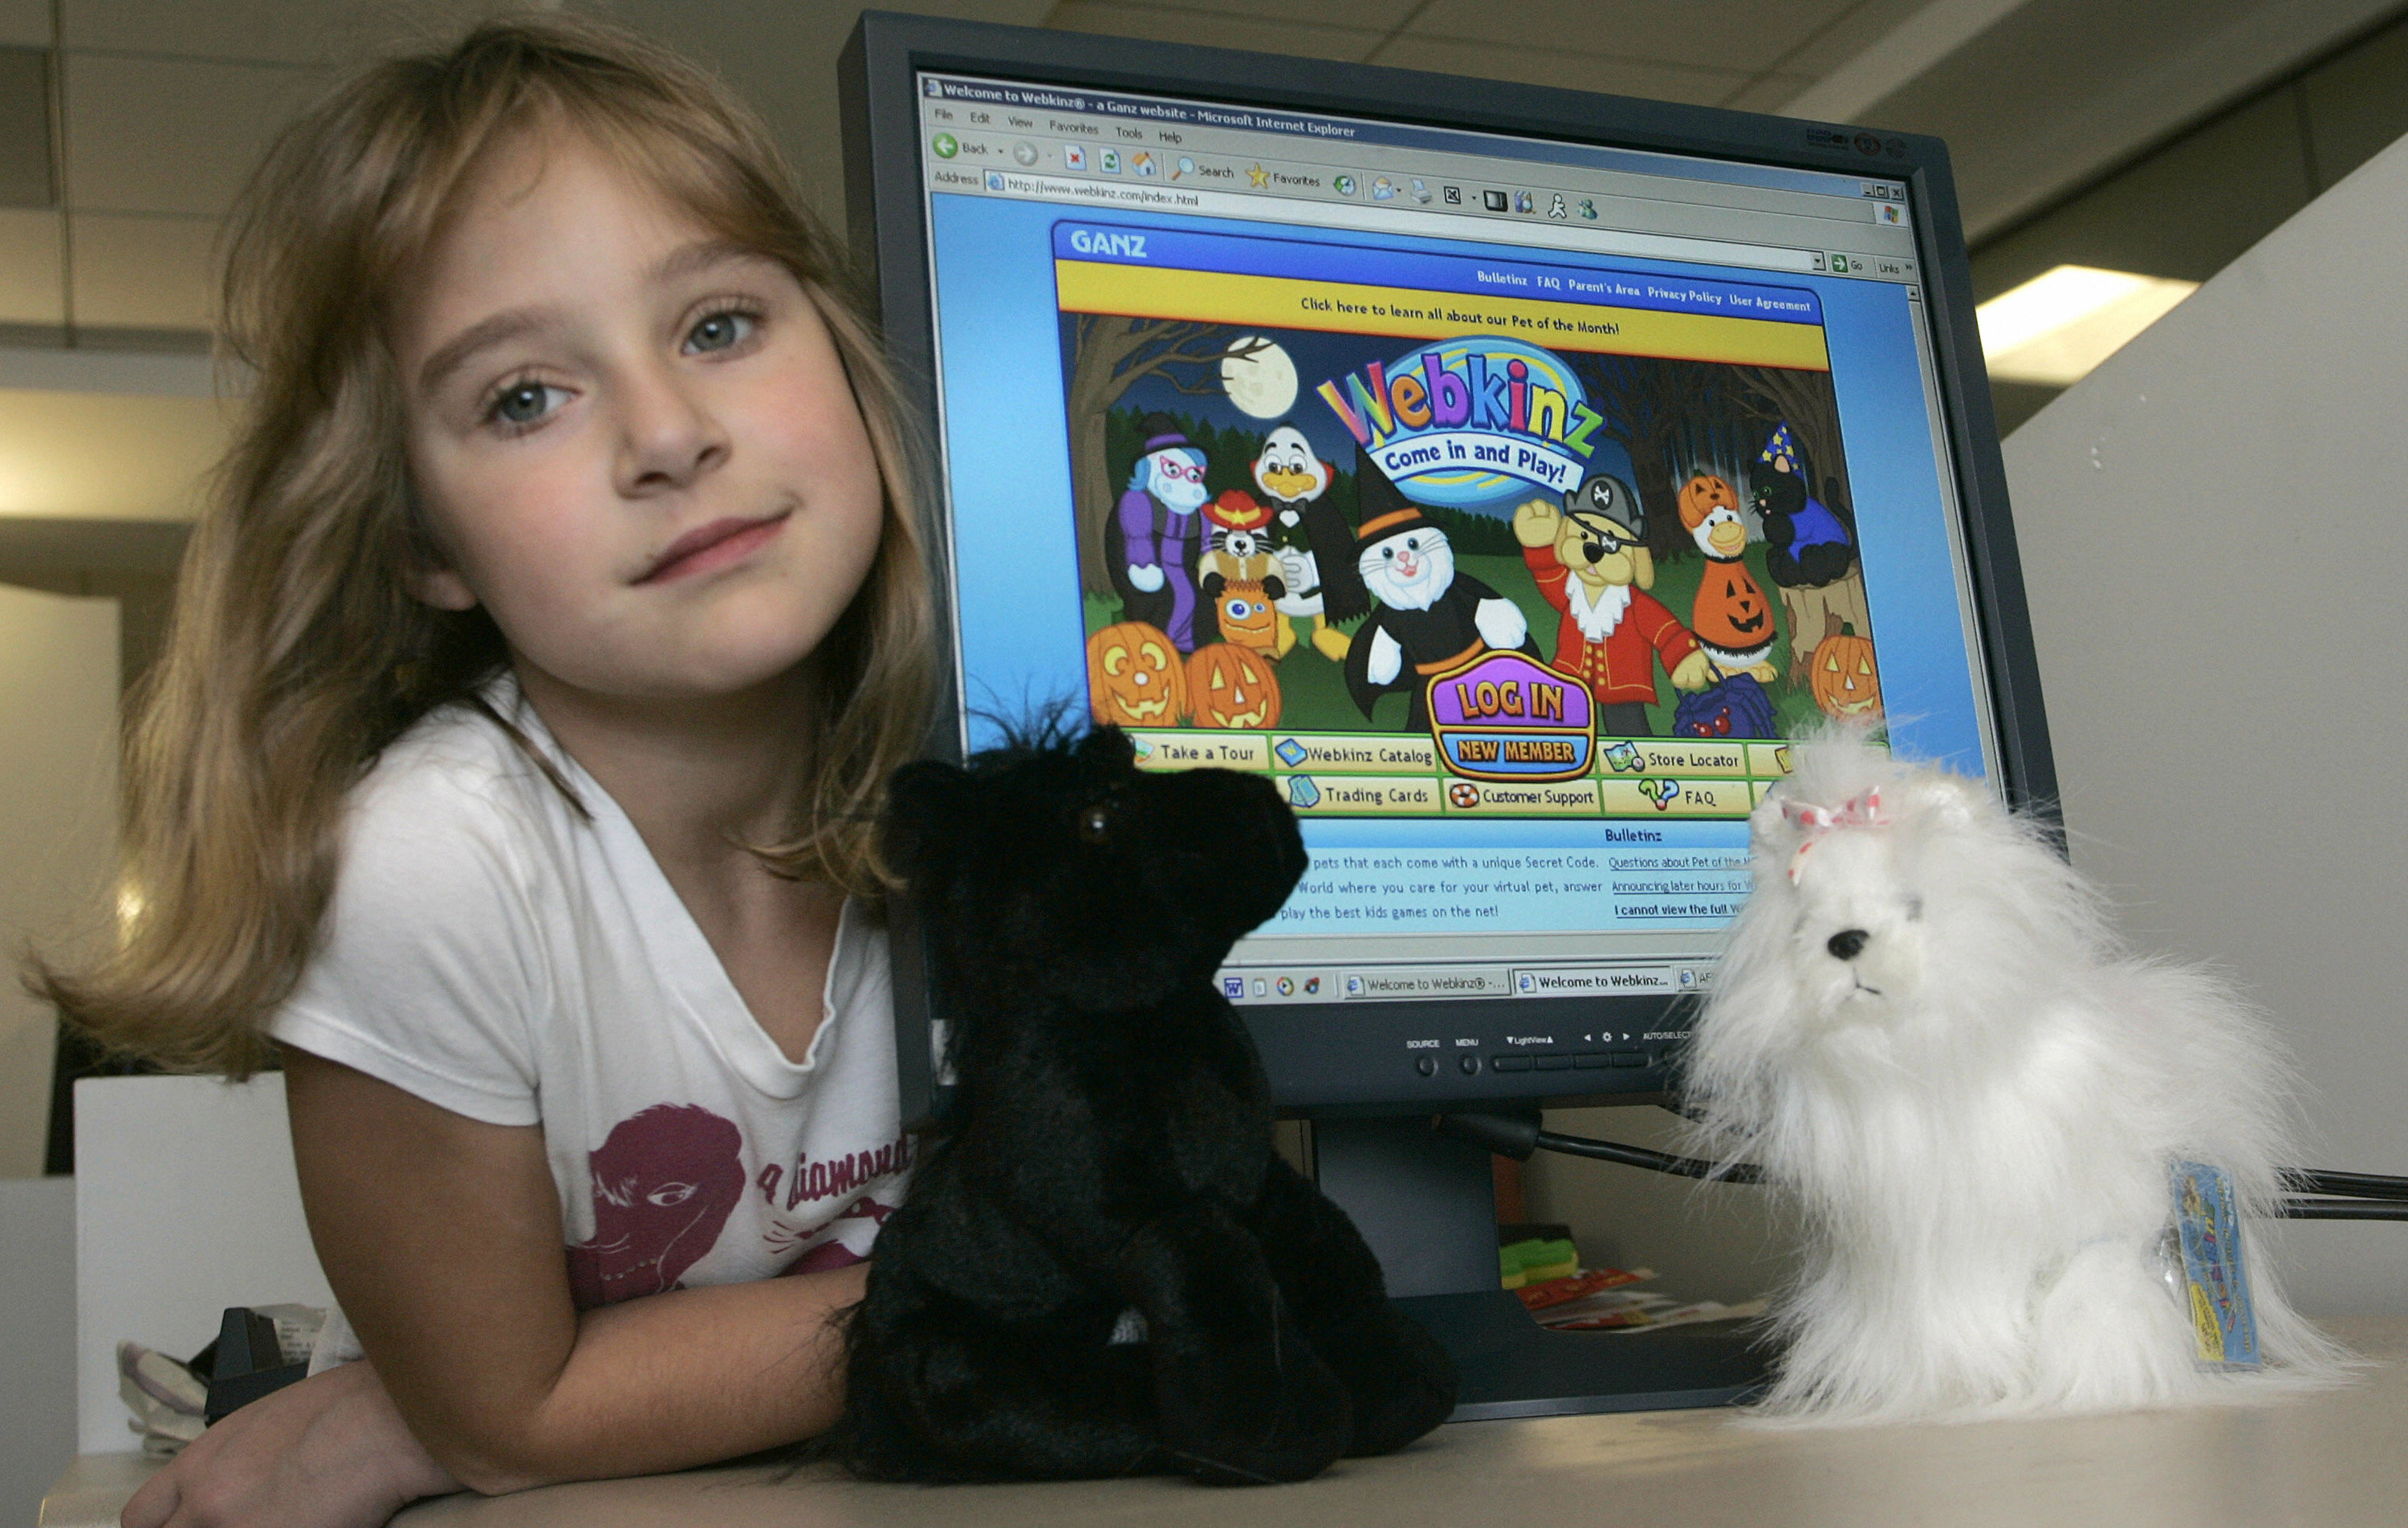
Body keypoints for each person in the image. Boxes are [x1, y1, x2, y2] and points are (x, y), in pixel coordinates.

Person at [34, 17, 937, 1526]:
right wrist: (1050, 1290)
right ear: (422, 545)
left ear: (845, 355)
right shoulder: (430, 867)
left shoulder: (1010, 780)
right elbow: (519, 1422)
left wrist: (477, 1410)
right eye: (524, 396)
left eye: (718, 325)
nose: (668, 435)